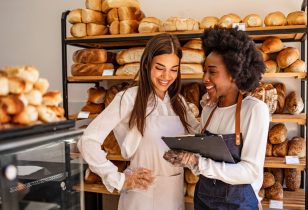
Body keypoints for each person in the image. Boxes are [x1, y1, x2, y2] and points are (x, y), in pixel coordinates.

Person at [77, 33, 200, 210]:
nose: (167, 76)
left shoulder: (178, 102)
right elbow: (87, 141)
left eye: (174, 69)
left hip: (173, 195)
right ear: (147, 64)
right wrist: (119, 179)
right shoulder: (128, 98)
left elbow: (199, 138)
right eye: (160, 67)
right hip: (141, 196)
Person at [164, 26, 270, 210]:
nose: (204, 78)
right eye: (204, 71)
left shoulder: (254, 110)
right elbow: (206, 168)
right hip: (204, 200)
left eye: (212, 72)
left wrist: (197, 161)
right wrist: (188, 160)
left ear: (233, 74)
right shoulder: (208, 110)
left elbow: (250, 171)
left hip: (239, 204)